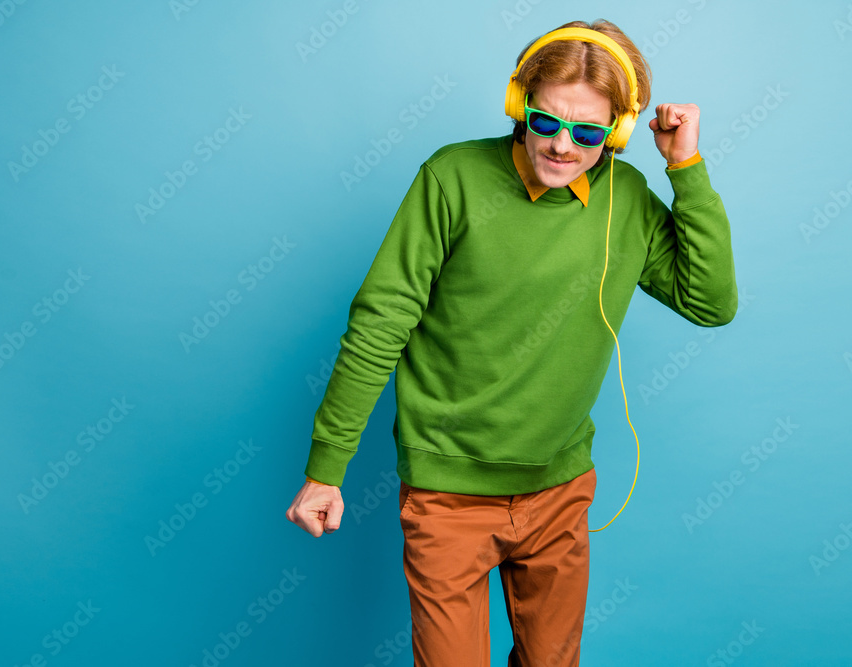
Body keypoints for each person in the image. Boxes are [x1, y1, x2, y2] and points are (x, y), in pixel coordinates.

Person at [286, 18, 738, 667]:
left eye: (587, 132)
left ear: (617, 131)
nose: (560, 145)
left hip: (559, 489)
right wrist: (325, 469)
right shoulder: (452, 176)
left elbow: (711, 301)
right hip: (447, 492)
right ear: (517, 103)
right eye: (545, 120)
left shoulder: (627, 199)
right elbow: (380, 320)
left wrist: (685, 168)